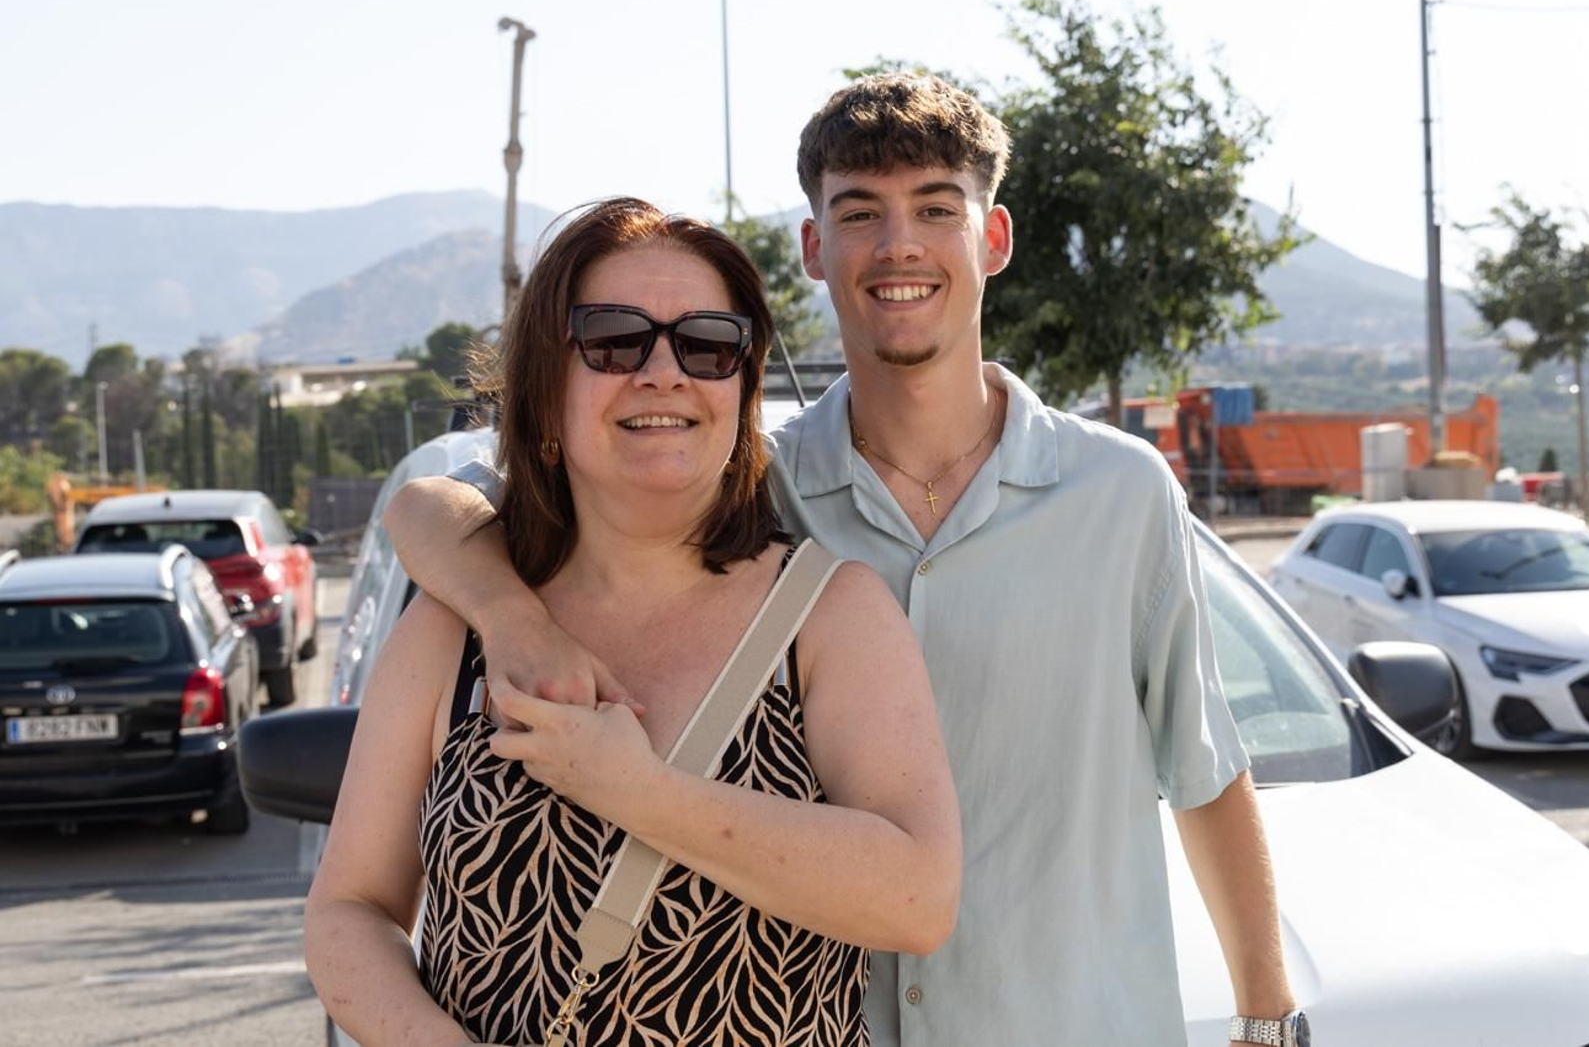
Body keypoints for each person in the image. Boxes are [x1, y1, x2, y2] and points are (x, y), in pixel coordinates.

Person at [386, 74, 1303, 1045]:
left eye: (935, 208)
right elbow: (432, 503)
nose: (898, 242)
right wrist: (511, 617)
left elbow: (1204, 767)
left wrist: (1267, 1013)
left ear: (992, 239)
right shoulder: (744, 491)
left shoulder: (1120, 492)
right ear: (815, 249)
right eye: (859, 211)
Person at [304, 197, 962, 1047]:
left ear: (741, 388)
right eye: (615, 338)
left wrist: (635, 791)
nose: (664, 371)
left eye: (708, 343)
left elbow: (917, 898)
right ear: (545, 393)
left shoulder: (828, 616)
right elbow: (348, 906)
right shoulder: (456, 628)